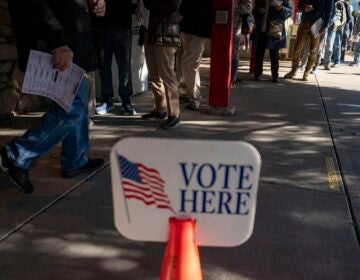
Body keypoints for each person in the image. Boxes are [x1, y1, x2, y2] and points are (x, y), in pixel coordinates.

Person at [0, 0, 106, 194]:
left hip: (70, 40)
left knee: (78, 100)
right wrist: (56, 41)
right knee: (72, 107)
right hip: (56, 43)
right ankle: (16, 155)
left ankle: (75, 159)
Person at [141, 0, 182, 129]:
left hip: (166, 33)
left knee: (167, 75)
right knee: (154, 75)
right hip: (151, 32)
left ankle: (174, 114)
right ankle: (160, 109)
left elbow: (173, 5)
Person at [94, 0, 137, 116]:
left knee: (124, 66)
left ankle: (126, 100)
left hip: (123, 25)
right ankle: (107, 100)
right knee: (104, 65)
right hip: (102, 25)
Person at [284, 0, 334, 81]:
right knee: (297, 48)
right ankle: (293, 71)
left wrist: (325, 26)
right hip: (304, 23)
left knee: (313, 50)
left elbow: (330, 11)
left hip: (317, 25)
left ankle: (306, 72)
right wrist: (304, 7)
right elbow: (299, 5)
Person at [178, 0, 212, 110]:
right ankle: (187, 93)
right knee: (187, 63)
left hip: (195, 27)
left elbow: (190, 7)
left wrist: (181, 15)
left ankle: (193, 97)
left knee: (189, 64)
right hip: (194, 26)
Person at [253, 0, 292, 82]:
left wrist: (281, 8)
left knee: (274, 55)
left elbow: (289, 12)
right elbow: (254, 11)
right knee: (259, 54)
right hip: (262, 30)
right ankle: (258, 74)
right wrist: (258, 11)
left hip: (274, 29)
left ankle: (275, 75)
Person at [323, 0, 351, 70]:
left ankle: (337, 62)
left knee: (337, 44)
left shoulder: (345, 4)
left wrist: (343, 25)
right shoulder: (332, 2)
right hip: (331, 26)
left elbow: (349, 18)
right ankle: (326, 62)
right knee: (329, 44)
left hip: (340, 27)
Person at [230, 0, 253, 86]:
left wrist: (233, 6)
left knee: (234, 55)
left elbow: (248, 9)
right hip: (224, 26)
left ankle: (233, 78)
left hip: (236, 28)